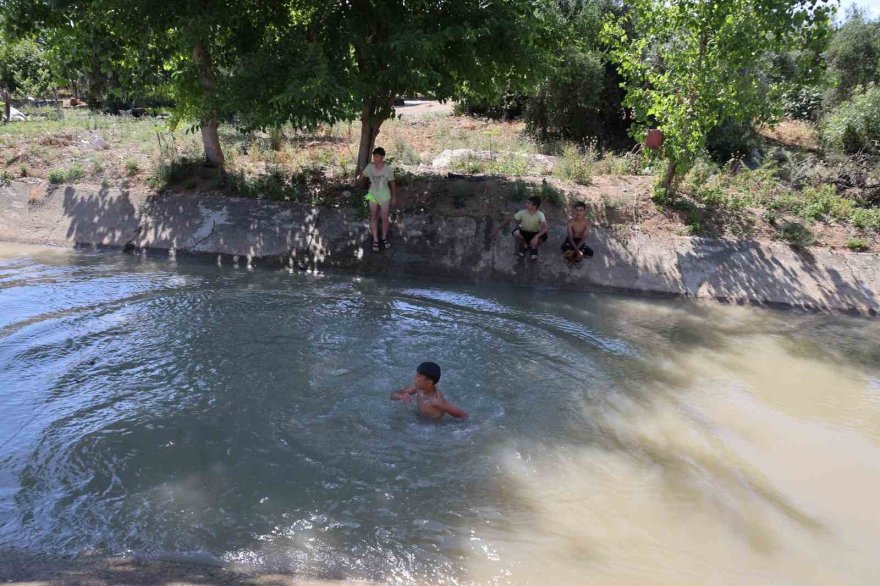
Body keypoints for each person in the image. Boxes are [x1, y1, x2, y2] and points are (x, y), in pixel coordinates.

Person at [389, 362, 468, 421]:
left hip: (433, 428)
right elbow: (392, 395)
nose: (414, 378)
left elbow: (463, 415)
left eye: (418, 376)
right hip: (420, 419)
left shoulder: (436, 401)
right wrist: (401, 396)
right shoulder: (418, 388)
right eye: (416, 374)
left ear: (429, 383)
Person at [355, 147, 397, 252]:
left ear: (382, 157)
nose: (374, 158)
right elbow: (361, 177)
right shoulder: (370, 167)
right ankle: (375, 240)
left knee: (385, 217)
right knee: (373, 216)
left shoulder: (388, 169)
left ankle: (384, 238)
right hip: (372, 194)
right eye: (374, 156)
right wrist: (356, 181)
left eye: (377, 156)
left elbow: (392, 183)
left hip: (385, 195)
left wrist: (394, 197)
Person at [499, 196, 549, 260]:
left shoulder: (540, 214)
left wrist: (536, 236)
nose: (526, 204)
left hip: (535, 233)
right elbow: (510, 218)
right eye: (526, 203)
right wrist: (499, 227)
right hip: (524, 232)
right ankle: (525, 245)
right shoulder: (522, 212)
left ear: (534, 206)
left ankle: (533, 247)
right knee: (515, 232)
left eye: (528, 203)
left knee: (545, 235)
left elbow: (545, 227)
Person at [561, 201, 594, 268]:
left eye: (581, 210)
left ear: (584, 211)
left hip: (580, 241)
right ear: (574, 211)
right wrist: (575, 250)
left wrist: (576, 250)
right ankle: (570, 259)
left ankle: (576, 260)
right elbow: (570, 238)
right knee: (568, 253)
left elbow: (584, 238)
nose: (578, 213)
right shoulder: (570, 222)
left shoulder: (588, 223)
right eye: (577, 210)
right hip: (571, 241)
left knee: (584, 255)